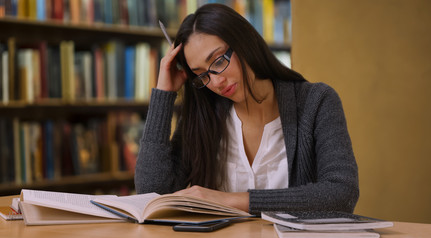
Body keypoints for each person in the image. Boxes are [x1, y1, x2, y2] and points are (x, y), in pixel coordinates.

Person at [135, 4, 359, 215]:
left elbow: (341, 194)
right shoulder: (204, 114)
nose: (216, 82)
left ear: (244, 42)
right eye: (202, 74)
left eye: (219, 60)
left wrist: (229, 200)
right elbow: (152, 193)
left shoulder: (316, 102)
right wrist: (163, 94)